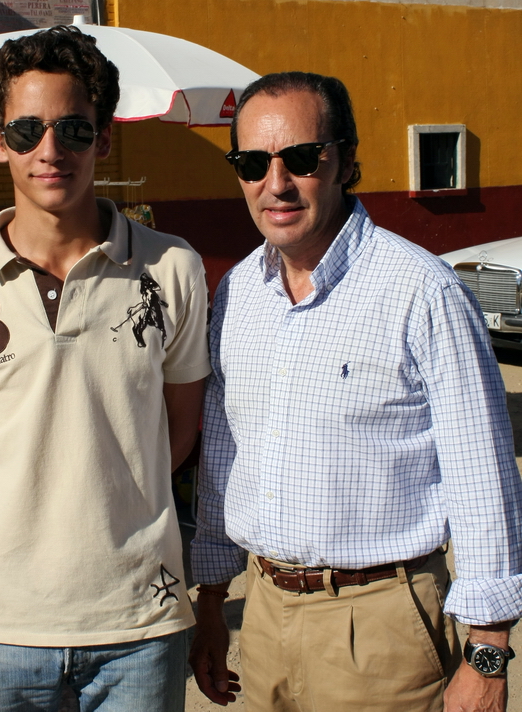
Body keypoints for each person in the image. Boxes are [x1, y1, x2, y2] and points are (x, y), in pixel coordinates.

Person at [189, 71, 522, 712]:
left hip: (382, 628)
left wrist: (487, 653)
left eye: (303, 158)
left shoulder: (422, 292)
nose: (275, 183)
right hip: (261, 615)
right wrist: (211, 598)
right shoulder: (239, 294)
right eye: (253, 162)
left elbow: (483, 478)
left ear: (346, 162)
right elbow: (225, 456)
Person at [0, 25, 210, 712]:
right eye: (25, 131)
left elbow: (178, 433)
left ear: (103, 139)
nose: (50, 151)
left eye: (74, 130)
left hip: (139, 621)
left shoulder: (173, 268)